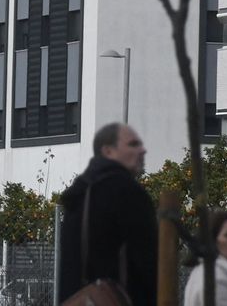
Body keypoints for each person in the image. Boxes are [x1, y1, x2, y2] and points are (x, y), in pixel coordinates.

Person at [58, 122, 157, 304]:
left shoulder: (78, 194)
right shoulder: (127, 192)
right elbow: (147, 265)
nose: (143, 150)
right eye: (133, 144)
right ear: (108, 151)